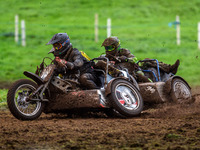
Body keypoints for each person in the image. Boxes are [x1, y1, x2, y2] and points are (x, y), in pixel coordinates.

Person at [101, 36, 180, 82]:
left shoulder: (123, 52)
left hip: (132, 71)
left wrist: (125, 59)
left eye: (111, 47)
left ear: (116, 46)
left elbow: (134, 59)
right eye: (107, 48)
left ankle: (169, 69)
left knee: (147, 62)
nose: (108, 49)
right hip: (118, 74)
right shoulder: (105, 57)